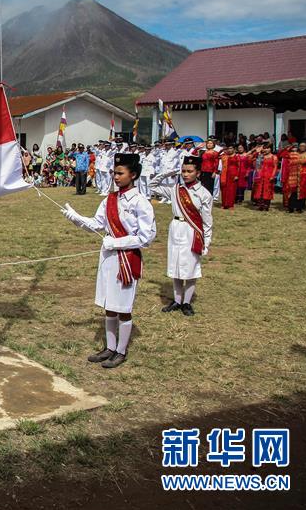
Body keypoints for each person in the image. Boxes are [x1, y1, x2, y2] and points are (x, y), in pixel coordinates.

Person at [62, 153, 156, 368]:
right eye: (114, 172)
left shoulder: (141, 202)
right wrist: (75, 218)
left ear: (133, 175)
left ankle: (121, 351)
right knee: (109, 305)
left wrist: (118, 243)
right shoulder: (110, 199)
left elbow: (147, 236)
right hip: (108, 257)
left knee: (123, 307)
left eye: (120, 173)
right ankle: (110, 347)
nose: (115, 177)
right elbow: (97, 223)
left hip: (126, 258)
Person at [150, 156, 213, 316]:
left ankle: (187, 302)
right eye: (183, 171)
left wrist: (207, 242)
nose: (185, 174)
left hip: (192, 230)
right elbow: (152, 185)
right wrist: (171, 171)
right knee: (176, 265)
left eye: (189, 171)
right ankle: (177, 300)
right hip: (176, 228)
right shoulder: (175, 189)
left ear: (198, 173)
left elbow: (207, 221)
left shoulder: (203, 194)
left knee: (190, 267)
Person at [279, 141, 306, 213]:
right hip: (293, 175)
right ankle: (291, 207)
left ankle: (299, 208)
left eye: (304, 146)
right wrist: (288, 148)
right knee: (292, 191)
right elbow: (282, 155)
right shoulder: (294, 154)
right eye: (300, 146)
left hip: (304, 175)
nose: (302, 147)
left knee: (301, 192)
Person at [249, 143, 278, 212]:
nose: (266, 150)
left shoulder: (274, 157)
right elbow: (250, 158)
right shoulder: (261, 156)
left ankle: (266, 205)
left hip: (269, 176)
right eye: (265, 148)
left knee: (267, 190)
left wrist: (272, 176)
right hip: (260, 175)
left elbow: (275, 167)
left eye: (268, 148)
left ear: (271, 149)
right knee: (260, 190)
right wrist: (257, 151)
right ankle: (260, 205)